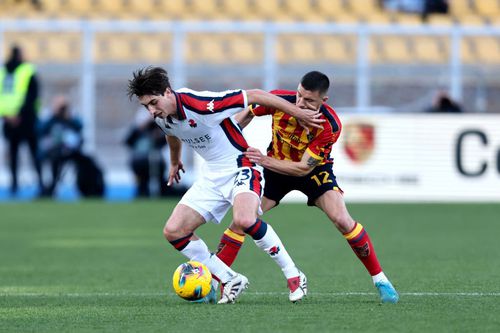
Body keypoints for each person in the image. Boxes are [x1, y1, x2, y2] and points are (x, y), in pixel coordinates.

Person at [126, 66, 324, 304]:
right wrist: (175, 161)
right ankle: (229, 278)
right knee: (174, 231)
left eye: (154, 103)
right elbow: (171, 132)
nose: (151, 111)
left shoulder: (200, 104)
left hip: (242, 165)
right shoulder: (162, 116)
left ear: (168, 92)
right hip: (211, 175)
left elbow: (256, 95)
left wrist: (298, 113)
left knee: (245, 220)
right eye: (146, 106)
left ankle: (294, 275)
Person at [215, 71, 400, 304]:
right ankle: (214, 280)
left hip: (314, 172)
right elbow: (248, 111)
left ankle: (380, 279)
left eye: (309, 101)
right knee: (241, 221)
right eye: (299, 95)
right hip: (274, 171)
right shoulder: (280, 101)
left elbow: (303, 168)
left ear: (324, 101)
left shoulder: (330, 125)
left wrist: (263, 160)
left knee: (342, 220)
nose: (300, 103)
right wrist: (232, 140)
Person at [0, 45, 43, 196]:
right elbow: (33, 95)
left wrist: (6, 115)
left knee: (13, 154)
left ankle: (14, 185)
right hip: (26, 119)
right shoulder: (27, 70)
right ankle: (41, 183)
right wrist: (20, 114)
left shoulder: (2, 72)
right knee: (34, 153)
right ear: (20, 55)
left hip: (8, 119)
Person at [38, 95, 83, 197]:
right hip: (53, 150)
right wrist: (54, 115)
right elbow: (40, 130)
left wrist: (69, 117)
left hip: (70, 150)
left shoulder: (72, 115)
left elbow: (80, 127)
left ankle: (81, 185)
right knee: (49, 158)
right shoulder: (49, 116)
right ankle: (46, 186)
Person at [124, 109, 169, 198]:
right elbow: (128, 141)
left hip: (155, 160)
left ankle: (161, 195)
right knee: (142, 183)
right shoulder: (136, 132)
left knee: (160, 181)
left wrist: (158, 135)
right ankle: (142, 196)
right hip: (139, 161)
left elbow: (165, 142)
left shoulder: (158, 130)